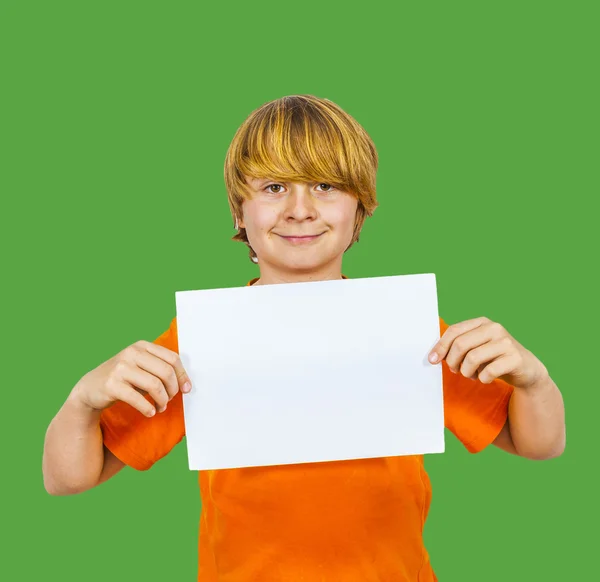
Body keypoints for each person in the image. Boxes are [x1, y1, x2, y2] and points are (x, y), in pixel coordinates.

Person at [42, 94, 566, 581]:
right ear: (239, 212)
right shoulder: (201, 337)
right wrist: (83, 399)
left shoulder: (407, 328)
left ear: (360, 208)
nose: (300, 209)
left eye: (326, 185)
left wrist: (534, 381)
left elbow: (538, 444)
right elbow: (68, 478)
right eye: (274, 187)